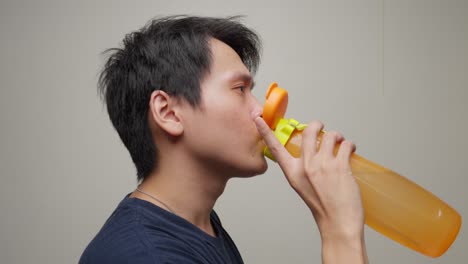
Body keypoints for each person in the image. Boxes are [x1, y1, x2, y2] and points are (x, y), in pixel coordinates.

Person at [79, 15, 368, 264]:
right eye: (240, 88)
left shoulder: (200, 225)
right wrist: (339, 230)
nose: (260, 111)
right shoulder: (146, 256)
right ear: (168, 112)